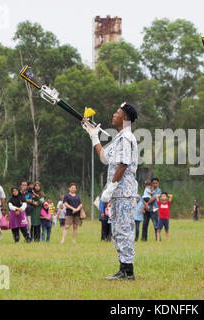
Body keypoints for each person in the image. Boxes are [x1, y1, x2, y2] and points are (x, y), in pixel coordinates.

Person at [84, 101, 138, 280]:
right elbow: (104, 158)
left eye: (117, 112)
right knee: (117, 230)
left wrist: (111, 187)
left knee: (123, 231)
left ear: (125, 118)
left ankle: (128, 272)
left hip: (124, 192)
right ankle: (123, 269)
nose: (113, 115)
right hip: (118, 193)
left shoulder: (126, 138)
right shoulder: (120, 137)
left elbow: (123, 165)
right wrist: (94, 136)